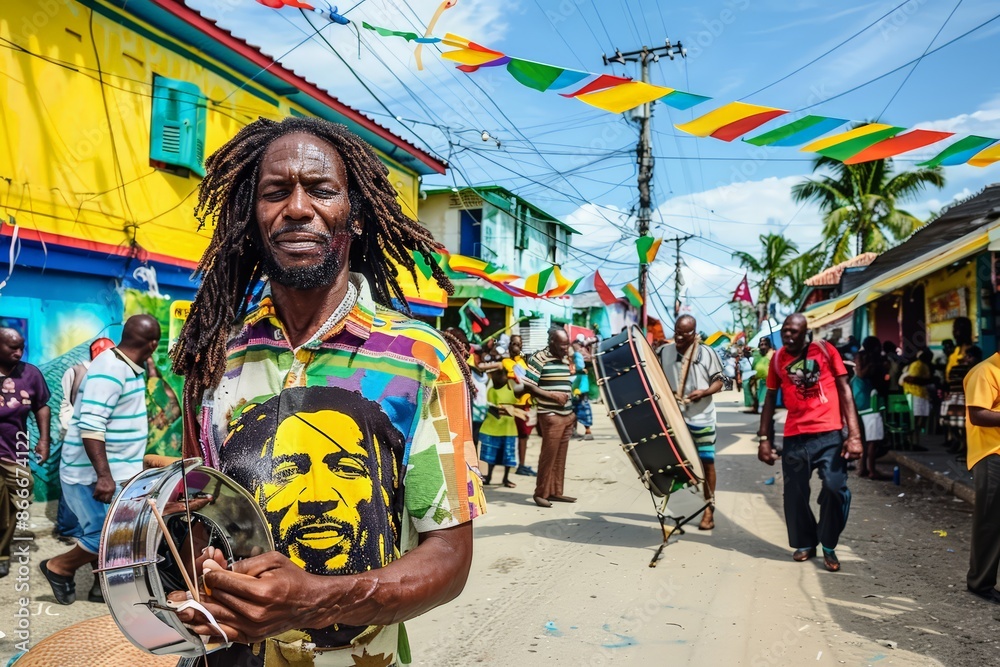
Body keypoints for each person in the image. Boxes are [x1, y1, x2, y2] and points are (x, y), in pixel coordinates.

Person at [166, 117, 486, 665]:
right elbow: (200, 508)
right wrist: (205, 575)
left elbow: (449, 559)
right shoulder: (216, 356)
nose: (296, 208)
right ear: (252, 217)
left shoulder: (419, 358)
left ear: (354, 215)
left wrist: (315, 602)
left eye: (320, 190)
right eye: (275, 192)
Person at [40, 316, 160, 604]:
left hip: (115, 470)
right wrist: (104, 477)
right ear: (153, 344)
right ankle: (59, 567)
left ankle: (100, 589)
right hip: (92, 475)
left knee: (111, 534)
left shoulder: (128, 366)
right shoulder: (110, 368)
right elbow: (92, 426)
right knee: (108, 537)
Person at [758, 313, 862, 573]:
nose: (788, 336)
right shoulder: (778, 359)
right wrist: (764, 439)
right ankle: (805, 542)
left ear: (805, 333)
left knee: (834, 487)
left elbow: (844, 390)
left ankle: (828, 542)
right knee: (795, 494)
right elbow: (770, 399)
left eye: (794, 332)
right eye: (785, 331)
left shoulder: (825, 351)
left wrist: (854, 436)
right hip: (795, 436)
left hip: (829, 434)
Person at [659, 315, 725, 530]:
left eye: (684, 333)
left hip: (701, 417)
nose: (678, 336)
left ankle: (709, 508)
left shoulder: (706, 353)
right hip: (675, 418)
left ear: (694, 332)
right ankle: (672, 511)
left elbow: (720, 380)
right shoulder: (664, 351)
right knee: (673, 463)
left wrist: (705, 391)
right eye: (677, 331)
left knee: (707, 463)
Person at [0, 327, 51, 579]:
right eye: (12, 347)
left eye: (21, 347)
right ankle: (2, 554)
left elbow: (42, 407)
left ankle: (2, 549)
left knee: (17, 500)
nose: (18, 352)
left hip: (14, 450)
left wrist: (44, 439)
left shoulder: (30, 374)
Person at [54, 337, 116, 544]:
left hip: (101, 436)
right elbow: (65, 402)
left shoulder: (114, 372)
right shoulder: (76, 371)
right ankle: (68, 528)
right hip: (78, 435)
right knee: (74, 481)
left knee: (96, 479)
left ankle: (92, 528)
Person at [963, 346, 1000, 604]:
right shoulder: (985, 371)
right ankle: (980, 582)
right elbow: (977, 414)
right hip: (991, 455)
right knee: (989, 521)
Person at [522, 328, 575, 508]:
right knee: (548, 456)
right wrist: (553, 396)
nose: (566, 349)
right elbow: (529, 386)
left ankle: (555, 492)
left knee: (560, 457)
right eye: (562, 346)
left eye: (567, 345)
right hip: (550, 414)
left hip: (567, 414)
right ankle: (541, 493)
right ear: (552, 342)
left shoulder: (565, 358)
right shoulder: (538, 358)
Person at [854, 336, 890, 480]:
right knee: (872, 440)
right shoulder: (872, 359)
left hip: (860, 402)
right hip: (871, 403)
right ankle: (872, 470)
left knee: (863, 438)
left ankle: (862, 468)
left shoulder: (859, 356)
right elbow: (862, 374)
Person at [503, 334, 536, 476]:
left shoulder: (523, 362)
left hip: (527, 403)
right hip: (516, 404)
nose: (517, 346)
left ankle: (521, 464)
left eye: (519, 343)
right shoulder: (506, 362)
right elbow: (516, 383)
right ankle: (515, 465)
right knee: (518, 436)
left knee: (524, 436)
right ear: (509, 345)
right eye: (514, 343)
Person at [480, 367, 519, 488]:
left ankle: (506, 478)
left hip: (508, 427)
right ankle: (489, 476)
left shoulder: (511, 387)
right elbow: (491, 407)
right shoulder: (491, 390)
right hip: (493, 427)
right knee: (491, 455)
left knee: (508, 455)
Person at [942, 345, 982, 455]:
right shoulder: (959, 368)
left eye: (970, 356)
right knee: (954, 424)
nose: (968, 359)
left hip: (970, 400)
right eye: (967, 356)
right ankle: (962, 444)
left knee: (966, 426)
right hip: (957, 398)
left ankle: (966, 447)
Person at [902, 349, 935, 434]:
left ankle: (917, 432)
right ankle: (914, 432)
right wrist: (929, 381)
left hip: (921, 394)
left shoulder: (924, 365)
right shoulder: (917, 365)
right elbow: (911, 379)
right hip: (916, 393)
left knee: (922, 414)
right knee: (917, 415)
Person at [571, 338, 593, 440]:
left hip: (580, 387)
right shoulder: (577, 355)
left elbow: (580, 367)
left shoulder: (578, 355)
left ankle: (588, 431)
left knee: (582, 408)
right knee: (573, 409)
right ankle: (573, 431)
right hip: (575, 386)